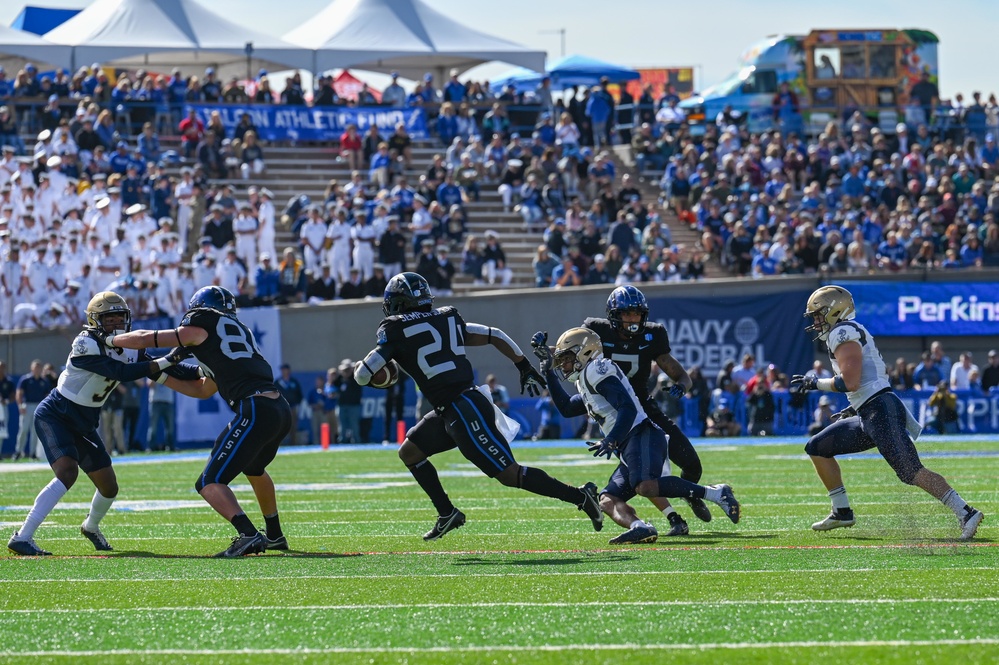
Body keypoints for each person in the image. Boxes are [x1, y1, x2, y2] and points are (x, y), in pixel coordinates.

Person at [353, 272, 603, 540]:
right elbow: (494, 334)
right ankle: (447, 512)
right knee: (410, 452)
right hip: (455, 406)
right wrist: (523, 366)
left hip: (462, 408)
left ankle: (581, 496)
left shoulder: (394, 329)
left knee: (509, 474)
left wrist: (367, 367)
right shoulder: (446, 318)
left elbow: (363, 375)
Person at [99, 286, 293, 557]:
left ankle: (248, 534)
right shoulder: (237, 333)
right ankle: (274, 535)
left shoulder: (202, 319)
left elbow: (146, 338)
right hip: (277, 408)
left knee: (208, 482)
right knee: (254, 468)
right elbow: (202, 389)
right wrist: (158, 371)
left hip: (255, 408)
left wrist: (110, 341)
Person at [791, 285, 983, 540]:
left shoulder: (843, 331)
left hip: (878, 410)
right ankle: (842, 510)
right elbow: (864, 382)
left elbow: (850, 382)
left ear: (834, 311)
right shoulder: (845, 331)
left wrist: (815, 383)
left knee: (910, 471)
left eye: (818, 314)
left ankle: (966, 512)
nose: (815, 321)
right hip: (869, 411)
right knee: (817, 447)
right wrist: (855, 405)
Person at [7, 292, 191, 555]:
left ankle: (90, 526)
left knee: (109, 486)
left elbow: (159, 368)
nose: (116, 323)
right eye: (109, 318)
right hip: (57, 414)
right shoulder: (85, 342)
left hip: (84, 421)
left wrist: (199, 370)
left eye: (120, 317)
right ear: (95, 321)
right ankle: (23, 536)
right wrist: (170, 358)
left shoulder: (129, 346)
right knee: (67, 473)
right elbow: (121, 373)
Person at [531, 328, 741, 545]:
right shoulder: (585, 378)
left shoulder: (597, 369)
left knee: (645, 485)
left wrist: (611, 438)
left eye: (566, 358)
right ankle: (640, 527)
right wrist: (547, 372)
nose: (563, 365)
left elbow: (628, 408)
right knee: (607, 500)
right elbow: (566, 408)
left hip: (642, 434)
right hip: (627, 443)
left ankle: (716, 494)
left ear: (584, 352)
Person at [582, 286, 711, 536]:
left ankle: (691, 495)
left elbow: (680, 374)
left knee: (692, 465)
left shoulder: (653, 334)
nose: (633, 319)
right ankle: (673, 517)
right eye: (627, 314)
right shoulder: (595, 330)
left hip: (645, 409)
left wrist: (681, 386)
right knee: (642, 475)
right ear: (613, 314)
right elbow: (572, 352)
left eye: (637, 314)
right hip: (615, 413)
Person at [13, 359, 48, 460]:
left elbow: (47, 395)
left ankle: (33, 453)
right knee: (23, 429)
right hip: (27, 405)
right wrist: (20, 406)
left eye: (39, 367)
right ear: (31, 368)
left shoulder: (43, 381)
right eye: (35, 367)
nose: (37, 369)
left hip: (38, 407)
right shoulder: (25, 379)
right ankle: (18, 452)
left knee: (35, 431)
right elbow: (19, 393)